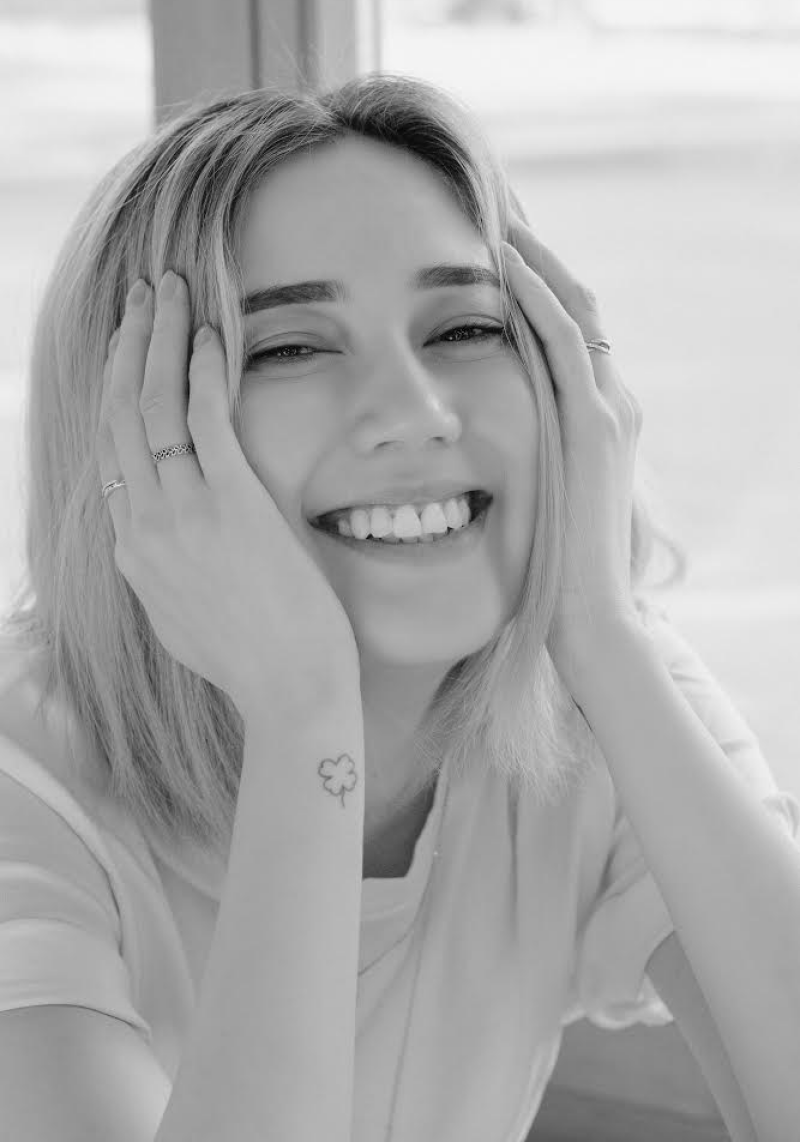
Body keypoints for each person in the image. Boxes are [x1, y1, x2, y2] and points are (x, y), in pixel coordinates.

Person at [0, 73, 797, 1142]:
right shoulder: (26, 783)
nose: (415, 413)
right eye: (287, 347)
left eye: (465, 328)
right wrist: (302, 716)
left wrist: (601, 630)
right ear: (129, 435)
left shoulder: (594, 687)